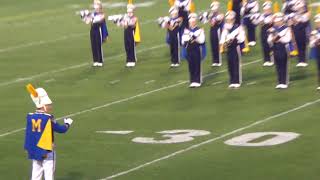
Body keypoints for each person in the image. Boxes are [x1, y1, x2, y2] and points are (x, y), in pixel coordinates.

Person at [24, 84, 73, 180]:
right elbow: (61, 130)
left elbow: (30, 135)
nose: (50, 106)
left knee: (35, 175)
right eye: (48, 105)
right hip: (47, 150)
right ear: (43, 106)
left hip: (35, 151)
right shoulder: (48, 118)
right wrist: (67, 123)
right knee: (49, 176)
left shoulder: (30, 117)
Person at [220, 11, 245, 89]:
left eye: (230, 19)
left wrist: (234, 39)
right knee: (230, 64)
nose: (229, 21)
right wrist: (223, 44)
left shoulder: (238, 27)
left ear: (234, 20)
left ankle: (237, 81)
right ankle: (232, 81)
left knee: (236, 63)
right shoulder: (225, 28)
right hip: (228, 48)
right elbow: (222, 39)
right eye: (227, 19)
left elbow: (242, 38)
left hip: (236, 47)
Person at [268, 13, 292, 89]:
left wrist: (278, 39)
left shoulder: (286, 28)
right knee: (278, 65)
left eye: (278, 21)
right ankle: (280, 82)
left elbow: (288, 39)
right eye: (275, 21)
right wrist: (272, 39)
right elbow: (268, 40)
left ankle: (284, 82)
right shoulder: (272, 29)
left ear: (282, 21)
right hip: (275, 48)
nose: (276, 22)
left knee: (284, 65)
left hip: (283, 48)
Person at [81, 0, 109, 67]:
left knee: (98, 45)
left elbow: (98, 20)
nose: (94, 5)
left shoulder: (102, 14)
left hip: (98, 30)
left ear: (99, 5)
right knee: (93, 45)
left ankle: (100, 60)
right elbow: (87, 22)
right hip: (92, 30)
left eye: (96, 4)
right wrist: (83, 16)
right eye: (94, 4)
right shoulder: (92, 13)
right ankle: (95, 61)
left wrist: (89, 16)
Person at [181, 13, 206, 88]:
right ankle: (192, 80)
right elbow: (183, 41)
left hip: (197, 48)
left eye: (193, 21)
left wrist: (193, 37)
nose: (191, 23)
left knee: (197, 64)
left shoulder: (199, 30)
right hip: (189, 49)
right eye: (190, 21)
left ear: (196, 22)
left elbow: (202, 40)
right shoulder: (186, 30)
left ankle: (197, 80)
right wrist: (190, 37)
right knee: (191, 65)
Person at [252, 1, 274, 66]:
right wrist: (254, 19)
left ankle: (272, 60)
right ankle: (266, 60)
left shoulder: (273, 16)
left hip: (271, 33)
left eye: (268, 9)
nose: (266, 11)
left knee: (271, 46)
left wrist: (262, 21)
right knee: (264, 46)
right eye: (265, 9)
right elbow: (256, 23)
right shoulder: (261, 15)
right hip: (263, 32)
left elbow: (268, 22)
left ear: (270, 9)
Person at [290, 0, 310, 67]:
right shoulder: (293, 12)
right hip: (296, 28)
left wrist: (298, 19)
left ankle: (303, 60)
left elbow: (304, 18)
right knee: (297, 44)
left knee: (302, 44)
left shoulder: (305, 12)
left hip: (302, 28)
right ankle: (300, 60)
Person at [209, 1, 224, 67]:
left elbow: (213, 23)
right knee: (213, 45)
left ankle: (218, 61)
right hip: (212, 30)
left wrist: (212, 18)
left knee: (217, 45)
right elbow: (210, 23)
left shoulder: (221, 15)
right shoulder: (211, 14)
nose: (214, 9)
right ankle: (214, 61)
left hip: (218, 30)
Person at [309, 14, 320, 90]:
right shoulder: (314, 32)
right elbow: (311, 44)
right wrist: (314, 40)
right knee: (319, 68)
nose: (318, 24)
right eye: (317, 22)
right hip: (317, 51)